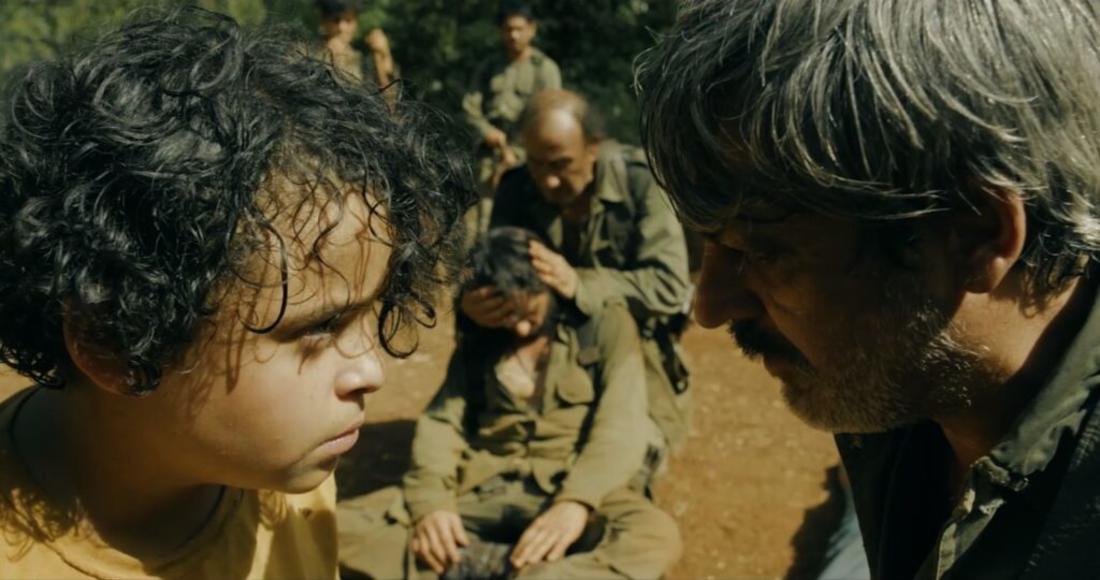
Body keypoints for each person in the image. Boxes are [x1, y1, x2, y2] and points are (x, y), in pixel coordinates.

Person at [0, 7, 472, 578]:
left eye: (369, 311)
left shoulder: (288, 479)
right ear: (113, 341)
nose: (370, 370)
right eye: (320, 327)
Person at [636, 0, 1100, 577]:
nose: (709, 306)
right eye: (708, 243)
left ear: (974, 235)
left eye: (764, 251)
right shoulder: (900, 387)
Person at [337, 227, 681, 579]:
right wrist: (432, 505)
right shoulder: (481, 338)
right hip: (485, 485)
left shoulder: (604, 325)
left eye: (529, 313)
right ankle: (489, 562)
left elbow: (620, 426)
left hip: (570, 485)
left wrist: (577, 502)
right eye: (506, 315)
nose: (520, 329)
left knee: (651, 537)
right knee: (336, 528)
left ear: (548, 283)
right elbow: (443, 425)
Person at [463, 90, 693, 460]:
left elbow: (668, 287)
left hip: (629, 347)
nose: (548, 181)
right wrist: (473, 305)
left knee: (631, 456)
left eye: (561, 165)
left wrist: (579, 283)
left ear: (593, 148)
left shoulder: (642, 184)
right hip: (542, 338)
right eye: (536, 164)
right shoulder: (516, 186)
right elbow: (496, 270)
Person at [462, 1, 561, 196]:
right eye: (508, 29)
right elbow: (469, 108)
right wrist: (487, 131)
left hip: (529, 158)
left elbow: (551, 117)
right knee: (484, 211)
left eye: (519, 29)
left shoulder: (544, 69)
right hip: (489, 157)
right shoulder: (489, 67)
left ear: (531, 29)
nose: (513, 35)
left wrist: (516, 152)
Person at [316, 0, 399, 93]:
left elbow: (389, 97)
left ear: (355, 23)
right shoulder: (309, 54)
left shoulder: (363, 61)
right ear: (324, 21)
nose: (341, 28)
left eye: (348, 20)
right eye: (336, 20)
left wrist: (384, 55)